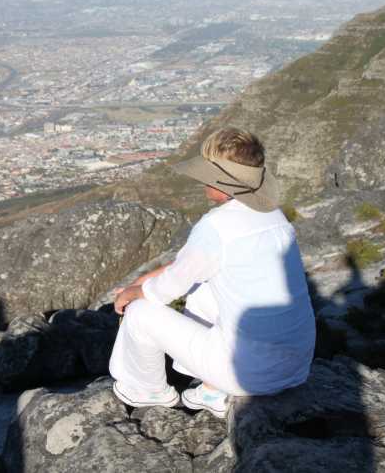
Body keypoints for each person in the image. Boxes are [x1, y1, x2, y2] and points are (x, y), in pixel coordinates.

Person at [109, 127, 316, 419]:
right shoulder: (274, 218)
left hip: (246, 374)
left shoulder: (216, 225)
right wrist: (140, 281)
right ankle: (211, 388)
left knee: (140, 312)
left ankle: (147, 390)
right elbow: (190, 267)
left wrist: (134, 294)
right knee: (205, 288)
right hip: (294, 368)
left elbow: (166, 289)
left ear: (220, 181)